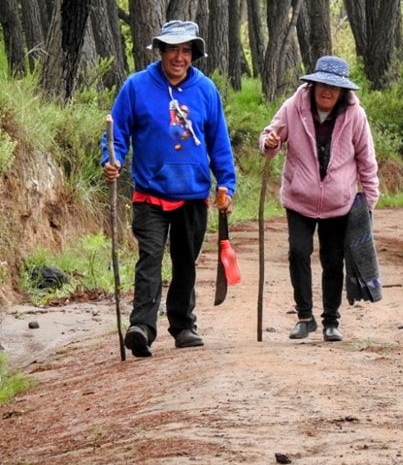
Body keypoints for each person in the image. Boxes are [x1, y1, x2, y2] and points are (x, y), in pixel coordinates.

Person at [102, 20, 236, 358]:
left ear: (193, 55)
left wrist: (227, 183)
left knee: (185, 261)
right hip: (149, 192)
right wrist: (111, 158)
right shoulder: (136, 87)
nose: (179, 57)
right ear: (161, 51)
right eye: (173, 49)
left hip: (193, 193)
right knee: (149, 258)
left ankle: (183, 325)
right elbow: (115, 132)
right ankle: (142, 328)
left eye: (186, 50)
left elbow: (219, 142)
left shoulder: (206, 90)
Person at [260, 56, 379, 342]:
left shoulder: (355, 115)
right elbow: (269, 137)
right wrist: (269, 143)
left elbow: (366, 159)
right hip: (299, 199)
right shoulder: (293, 108)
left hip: (339, 203)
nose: (327, 91)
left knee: (333, 259)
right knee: (298, 253)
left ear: (343, 92)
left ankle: (331, 320)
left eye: (334, 87)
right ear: (312, 85)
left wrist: (369, 203)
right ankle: (304, 317)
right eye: (322, 85)